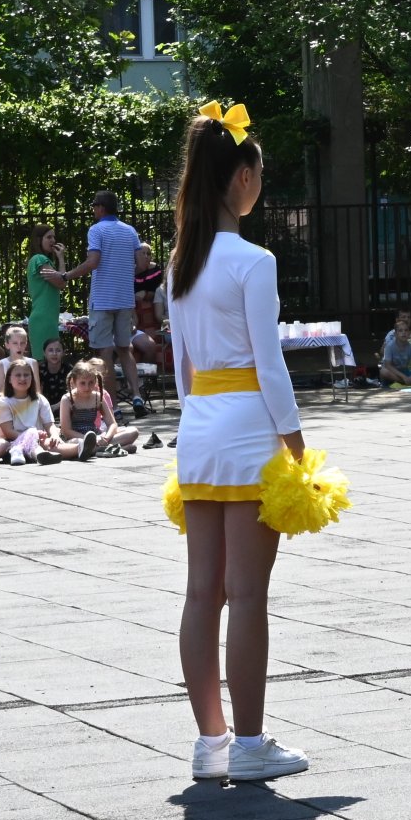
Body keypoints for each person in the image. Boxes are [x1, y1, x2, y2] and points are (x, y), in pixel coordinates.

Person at [166, 101, 334, 783]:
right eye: (258, 173)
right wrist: (295, 445)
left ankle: (211, 743)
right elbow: (270, 365)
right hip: (247, 430)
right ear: (240, 178)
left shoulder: (184, 260)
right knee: (249, 593)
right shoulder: (253, 260)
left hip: (198, 429)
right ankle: (253, 741)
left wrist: (200, 422)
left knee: (202, 593)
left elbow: (182, 369)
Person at [61, 190, 148, 417]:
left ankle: (114, 407)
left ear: (100, 207)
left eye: (93, 205)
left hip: (102, 301)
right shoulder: (130, 231)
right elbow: (141, 263)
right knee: (125, 349)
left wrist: (66, 276)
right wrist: (125, 274)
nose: (92, 210)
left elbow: (93, 262)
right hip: (124, 298)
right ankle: (137, 396)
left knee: (105, 353)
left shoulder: (96, 229)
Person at [0, 359, 72, 464]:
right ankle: (40, 455)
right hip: (14, 443)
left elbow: (49, 424)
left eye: (26, 375)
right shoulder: (4, 402)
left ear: (32, 378)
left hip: (39, 439)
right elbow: (8, 432)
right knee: (39, 445)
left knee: (52, 444)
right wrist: (32, 436)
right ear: (9, 379)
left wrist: (54, 435)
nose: (22, 378)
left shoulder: (40, 399)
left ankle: (82, 448)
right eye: (18, 375)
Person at [59, 357, 139, 456]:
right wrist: (87, 438)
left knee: (133, 431)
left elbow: (112, 424)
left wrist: (106, 438)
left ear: (96, 381)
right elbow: (66, 431)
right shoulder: (67, 399)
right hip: (77, 438)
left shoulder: (97, 397)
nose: (87, 387)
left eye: (91, 382)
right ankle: (107, 449)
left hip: (97, 435)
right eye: (82, 383)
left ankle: (100, 448)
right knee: (76, 444)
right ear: (73, 382)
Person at [23, 225, 67, 359]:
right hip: (44, 319)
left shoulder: (40, 260)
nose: (53, 240)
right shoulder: (40, 260)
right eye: (48, 237)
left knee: (49, 363)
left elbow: (60, 282)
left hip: (47, 319)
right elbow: (61, 282)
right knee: (46, 363)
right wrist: (61, 258)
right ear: (38, 240)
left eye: (54, 237)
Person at [132, 244, 170, 366]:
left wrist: (146, 293)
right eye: (142, 253)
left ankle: (146, 378)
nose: (146, 256)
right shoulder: (127, 274)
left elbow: (154, 291)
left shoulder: (155, 270)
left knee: (150, 346)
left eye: (148, 253)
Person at [379, 318, 411, 387]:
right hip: (393, 373)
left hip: (404, 371)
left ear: (409, 333)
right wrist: (404, 377)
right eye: (400, 331)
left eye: (406, 330)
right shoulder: (389, 346)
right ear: (395, 334)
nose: (404, 333)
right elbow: (388, 365)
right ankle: (405, 381)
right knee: (383, 371)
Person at [38, 337, 72, 407]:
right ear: (44, 353)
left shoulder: (69, 370)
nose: (54, 354)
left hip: (65, 405)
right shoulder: (39, 370)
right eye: (50, 350)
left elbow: (73, 392)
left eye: (58, 350)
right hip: (43, 407)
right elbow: (37, 393)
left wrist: (56, 406)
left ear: (63, 353)